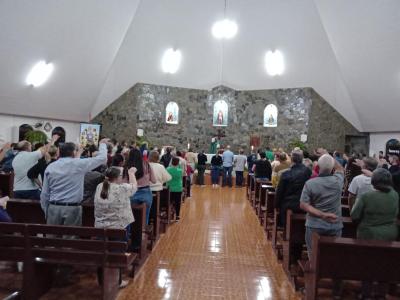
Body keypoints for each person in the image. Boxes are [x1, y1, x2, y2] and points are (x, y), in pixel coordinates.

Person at [300, 154, 344, 298]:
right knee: (335, 256)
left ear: (317, 167)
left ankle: (311, 288)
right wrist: (330, 156)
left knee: (313, 256)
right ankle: (336, 290)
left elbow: (303, 205)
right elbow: (340, 168)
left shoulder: (310, 183)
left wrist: (321, 214)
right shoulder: (338, 180)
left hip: (315, 225)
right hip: (334, 225)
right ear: (332, 168)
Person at [350, 168, 399, 299]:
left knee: (367, 264)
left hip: (368, 235)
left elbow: (354, 215)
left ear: (373, 181)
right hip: (389, 235)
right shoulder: (394, 195)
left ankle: (366, 294)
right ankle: (381, 294)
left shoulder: (366, 196)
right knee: (385, 264)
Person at [40, 138, 108, 226]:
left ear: (59, 152)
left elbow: (45, 193)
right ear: (74, 152)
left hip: (54, 207)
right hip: (72, 208)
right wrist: (102, 144)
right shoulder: (78, 164)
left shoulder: (51, 167)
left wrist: (46, 210)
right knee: (71, 237)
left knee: (52, 238)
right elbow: (102, 158)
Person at [94, 166, 137, 289]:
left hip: (100, 228)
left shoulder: (99, 187)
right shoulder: (122, 188)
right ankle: (116, 281)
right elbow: (134, 187)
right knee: (117, 253)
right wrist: (131, 173)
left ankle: (102, 280)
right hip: (118, 228)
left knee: (102, 253)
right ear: (118, 178)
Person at [276, 150, 311, 227]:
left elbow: (280, 192)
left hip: (289, 205)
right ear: (302, 159)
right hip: (305, 204)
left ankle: (285, 229)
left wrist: (276, 205)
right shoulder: (308, 171)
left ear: (291, 159)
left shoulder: (286, 174)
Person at [127, 148, 156, 225]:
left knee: (130, 216)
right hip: (145, 192)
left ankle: (130, 234)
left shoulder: (127, 166)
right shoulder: (146, 165)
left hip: (131, 193)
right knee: (145, 216)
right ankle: (143, 233)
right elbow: (154, 180)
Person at [167, 157, 183, 221]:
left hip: (169, 188)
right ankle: (177, 216)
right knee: (177, 203)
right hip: (178, 188)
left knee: (169, 202)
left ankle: (170, 216)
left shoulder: (168, 169)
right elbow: (181, 178)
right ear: (178, 163)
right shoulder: (180, 170)